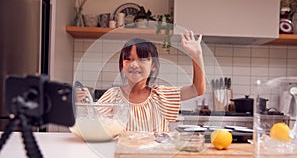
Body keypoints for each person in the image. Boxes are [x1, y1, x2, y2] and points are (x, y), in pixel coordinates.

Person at [77, 30, 206, 132]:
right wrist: (83, 103)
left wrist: (196, 56)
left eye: (142, 59)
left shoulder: (161, 95)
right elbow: (93, 121)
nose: (134, 64)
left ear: (153, 65)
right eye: (128, 59)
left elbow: (197, 89)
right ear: (122, 65)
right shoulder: (113, 95)